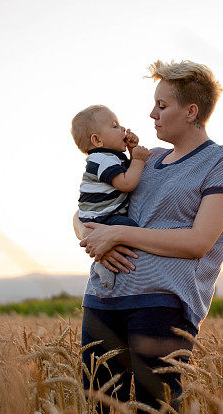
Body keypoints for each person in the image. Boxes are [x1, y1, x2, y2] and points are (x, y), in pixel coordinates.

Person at [74, 59, 223, 414]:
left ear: (192, 111)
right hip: (102, 299)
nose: (151, 114)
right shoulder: (141, 161)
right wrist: (94, 235)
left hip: (162, 304)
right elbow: (84, 211)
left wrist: (119, 233)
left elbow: (199, 241)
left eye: (162, 105)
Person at [70, 105, 152, 289]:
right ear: (97, 140)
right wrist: (139, 160)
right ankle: (102, 262)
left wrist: (133, 151)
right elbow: (127, 183)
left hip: (101, 215)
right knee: (131, 229)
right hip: (101, 218)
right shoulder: (101, 159)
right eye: (114, 126)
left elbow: (128, 173)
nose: (122, 129)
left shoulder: (111, 157)